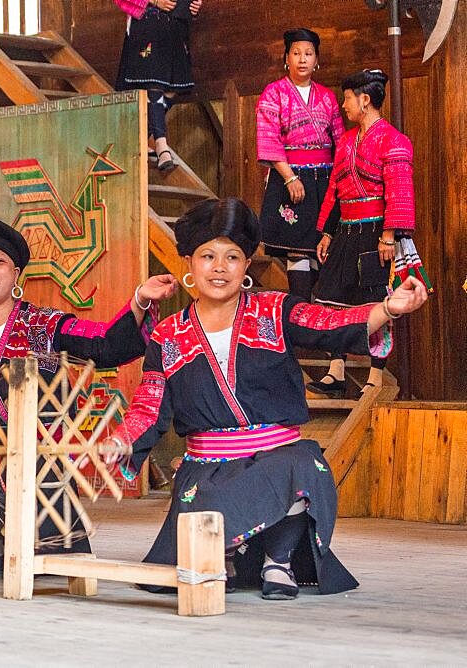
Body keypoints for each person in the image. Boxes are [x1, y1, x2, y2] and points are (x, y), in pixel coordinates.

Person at [103, 197, 427, 599]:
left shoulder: (275, 310)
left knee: (304, 465)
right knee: (205, 493)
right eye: (207, 256)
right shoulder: (167, 335)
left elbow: (327, 324)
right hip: (209, 466)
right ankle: (226, 556)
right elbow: (148, 405)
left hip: (276, 455)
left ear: (245, 268)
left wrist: (387, 309)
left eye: (232, 257)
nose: (219, 267)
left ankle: (279, 559)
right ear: (189, 262)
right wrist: (122, 440)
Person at [0, 215, 178, 565]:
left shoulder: (44, 325)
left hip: (33, 463)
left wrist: (140, 299)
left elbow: (104, 343)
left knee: (47, 540)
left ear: (16, 273)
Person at [309, 69, 415, 398]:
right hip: (346, 233)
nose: (344, 106)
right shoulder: (345, 142)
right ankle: (336, 371)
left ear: (365, 100)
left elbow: (399, 192)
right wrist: (327, 233)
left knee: (377, 303)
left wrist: (388, 237)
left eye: (348, 98)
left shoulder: (393, 140)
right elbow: (334, 192)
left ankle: (375, 377)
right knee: (332, 300)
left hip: (376, 235)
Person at [256, 28, 345, 302]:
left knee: (321, 244)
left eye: (308, 53)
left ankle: (318, 307)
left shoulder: (328, 97)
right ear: (287, 58)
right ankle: (299, 306)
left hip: (325, 179)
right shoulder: (274, 93)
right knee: (297, 248)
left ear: (317, 59)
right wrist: (289, 178)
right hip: (290, 177)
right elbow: (268, 138)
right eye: (296, 53)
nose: (302, 59)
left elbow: (340, 141)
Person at [114, 0, 203, 172]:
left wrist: (195, 5)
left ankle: (138, 139)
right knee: (154, 83)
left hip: (176, 25)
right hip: (150, 21)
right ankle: (161, 145)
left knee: (172, 88)